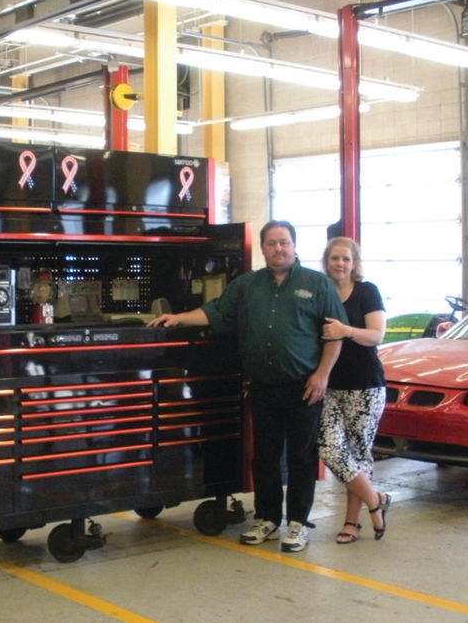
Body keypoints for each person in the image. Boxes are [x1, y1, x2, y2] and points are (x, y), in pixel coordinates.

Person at [148, 220, 346, 552]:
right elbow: (216, 312)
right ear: (263, 247)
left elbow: (334, 335)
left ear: (294, 246)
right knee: (264, 458)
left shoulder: (317, 284)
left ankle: (297, 523)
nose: (278, 249)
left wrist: (322, 374)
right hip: (263, 387)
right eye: (271, 243)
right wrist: (178, 318)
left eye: (284, 242)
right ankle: (267, 519)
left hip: (305, 387)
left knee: (300, 458)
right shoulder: (247, 285)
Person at [318, 237, 391, 543]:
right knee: (329, 448)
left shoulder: (366, 291)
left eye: (346, 259)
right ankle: (376, 500)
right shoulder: (321, 293)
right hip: (331, 386)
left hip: (365, 386)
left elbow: (377, 335)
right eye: (335, 258)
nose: (340, 264)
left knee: (358, 454)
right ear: (326, 261)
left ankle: (352, 522)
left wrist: (346, 330)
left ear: (354, 263)